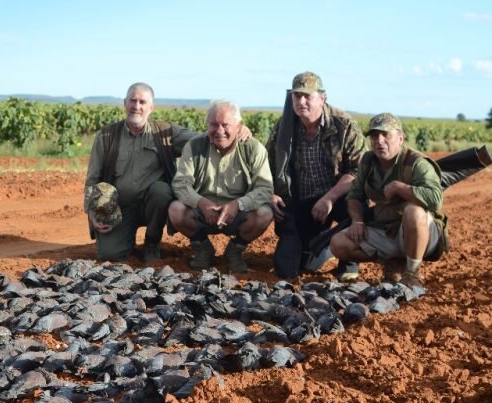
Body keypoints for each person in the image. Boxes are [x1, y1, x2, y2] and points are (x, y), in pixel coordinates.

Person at [84, 83, 250, 263]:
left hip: (153, 205)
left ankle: (152, 242)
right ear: (125, 103)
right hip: (119, 207)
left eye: (142, 102)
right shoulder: (107, 136)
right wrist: (92, 211)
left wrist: (236, 129)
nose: (136, 106)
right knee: (109, 255)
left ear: (151, 107)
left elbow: (204, 138)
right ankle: (125, 239)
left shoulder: (165, 133)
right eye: (133, 101)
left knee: (162, 191)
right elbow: (93, 178)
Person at [329, 113, 448, 288]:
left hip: (423, 233)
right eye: (375, 136)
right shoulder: (368, 161)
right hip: (387, 231)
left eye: (386, 135)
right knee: (338, 243)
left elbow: (435, 199)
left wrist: (401, 188)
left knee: (413, 211)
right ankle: (394, 263)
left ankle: (412, 272)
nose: (379, 141)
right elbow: (354, 196)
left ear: (400, 138)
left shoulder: (416, 162)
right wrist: (358, 220)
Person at [267, 71, 366, 281]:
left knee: (356, 205)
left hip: (337, 197)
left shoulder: (344, 125)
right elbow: (268, 165)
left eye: (307, 96)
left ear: (322, 97)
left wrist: (329, 198)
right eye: (297, 96)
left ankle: (348, 260)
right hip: (303, 203)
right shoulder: (284, 127)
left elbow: (358, 170)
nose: (301, 101)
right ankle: (322, 245)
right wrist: (272, 192)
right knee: (291, 267)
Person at [169, 101, 274, 272]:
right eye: (213, 125)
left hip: (238, 214)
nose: (219, 131)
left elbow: (264, 189)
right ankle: (203, 249)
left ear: (238, 126)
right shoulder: (194, 146)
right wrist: (202, 203)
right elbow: (181, 184)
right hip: (202, 212)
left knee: (264, 214)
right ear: (207, 125)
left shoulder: (253, 148)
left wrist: (237, 205)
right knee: (176, 210)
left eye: (225, 125)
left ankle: (235, 250)